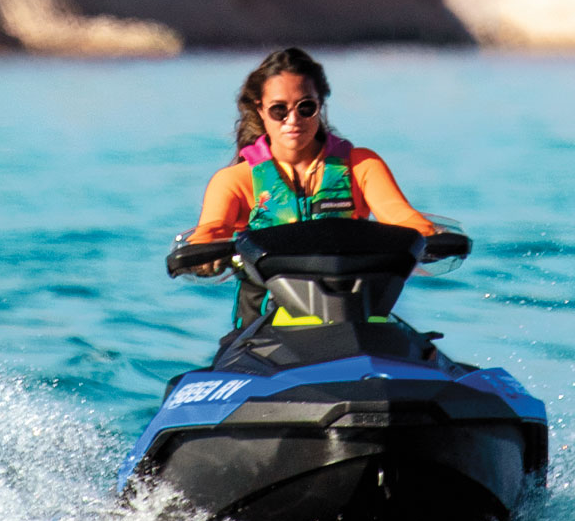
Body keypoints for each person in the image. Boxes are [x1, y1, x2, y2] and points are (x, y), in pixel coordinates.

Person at [183, 47, 440, 327]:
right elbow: (213, 229)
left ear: (320, 105)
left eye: (305, 107)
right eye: (279, 109)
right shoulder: (235, 181)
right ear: (260, 109)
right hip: (265, 329)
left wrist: (433, 237)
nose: (293, 120)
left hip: (358, 321)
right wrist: (202, 253)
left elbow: (401, 217)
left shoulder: (360, 166)